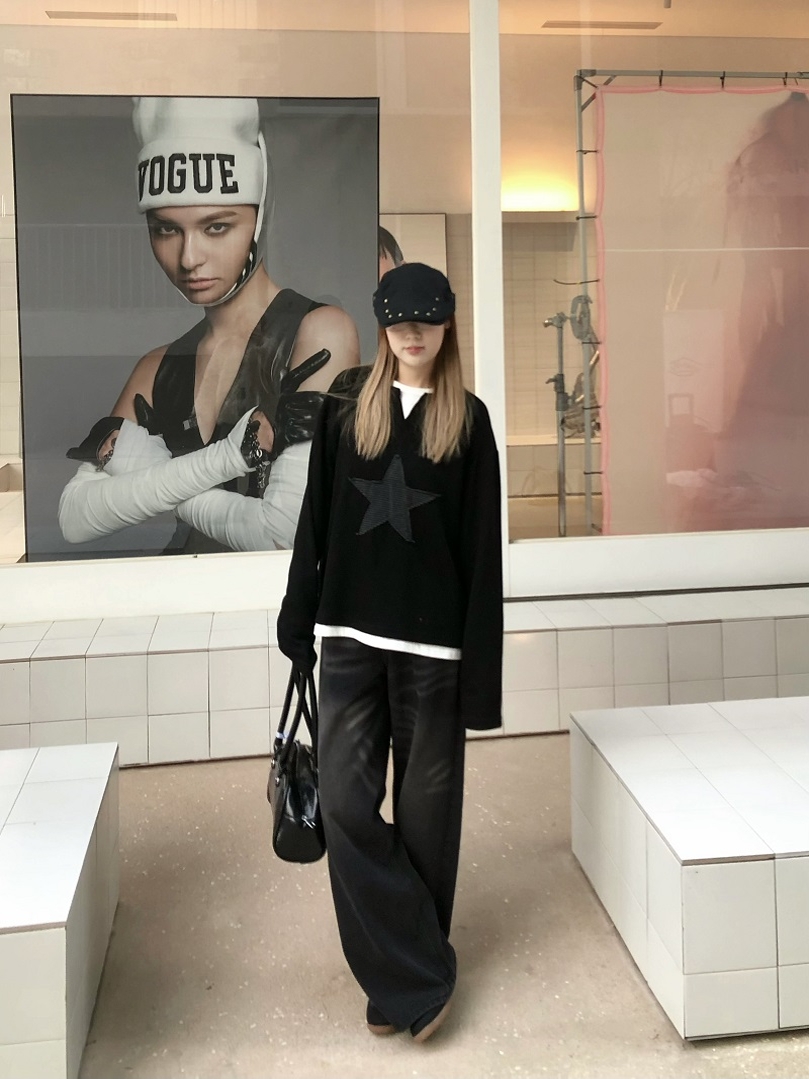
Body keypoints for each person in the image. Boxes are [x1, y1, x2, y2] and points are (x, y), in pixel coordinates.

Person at [276, 262, 503, 1042]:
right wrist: (297, 617)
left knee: (426, 818)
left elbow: (482, 557)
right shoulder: (346, 408)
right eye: (399, 321)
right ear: (381, 326)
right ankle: (414, 966)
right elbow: (314, 519)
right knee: (345, 803)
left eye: (426, 321)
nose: (411, 333)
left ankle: (400, 974)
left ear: (446, 326)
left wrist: (482, 681)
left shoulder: (467, 422)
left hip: (435, 654)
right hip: (347, 640)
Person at [58, 96, 359, 554]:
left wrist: (151, 475)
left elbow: (282, 534)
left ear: (260, 218)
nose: (189, 257)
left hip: (271, 595)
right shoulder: (157, 366)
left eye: (216, 227)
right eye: (166, 229)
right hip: (178, 586)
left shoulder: (319, 332)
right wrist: (227, 457)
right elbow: (74, 517)